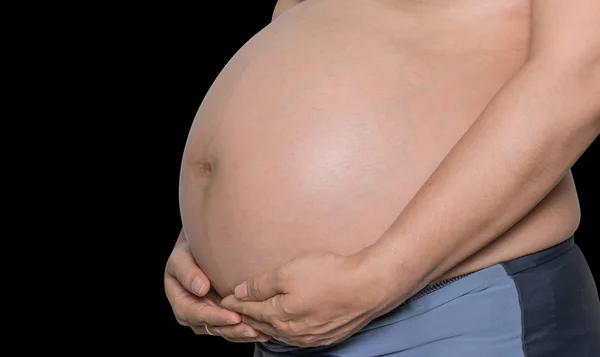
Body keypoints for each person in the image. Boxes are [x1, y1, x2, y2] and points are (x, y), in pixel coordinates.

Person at [165, 0, 600, 355]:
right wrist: (209, 238)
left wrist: (378, 277)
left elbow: (583, 73)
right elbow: (304, 29)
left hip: (451, 311)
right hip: (288, 324)